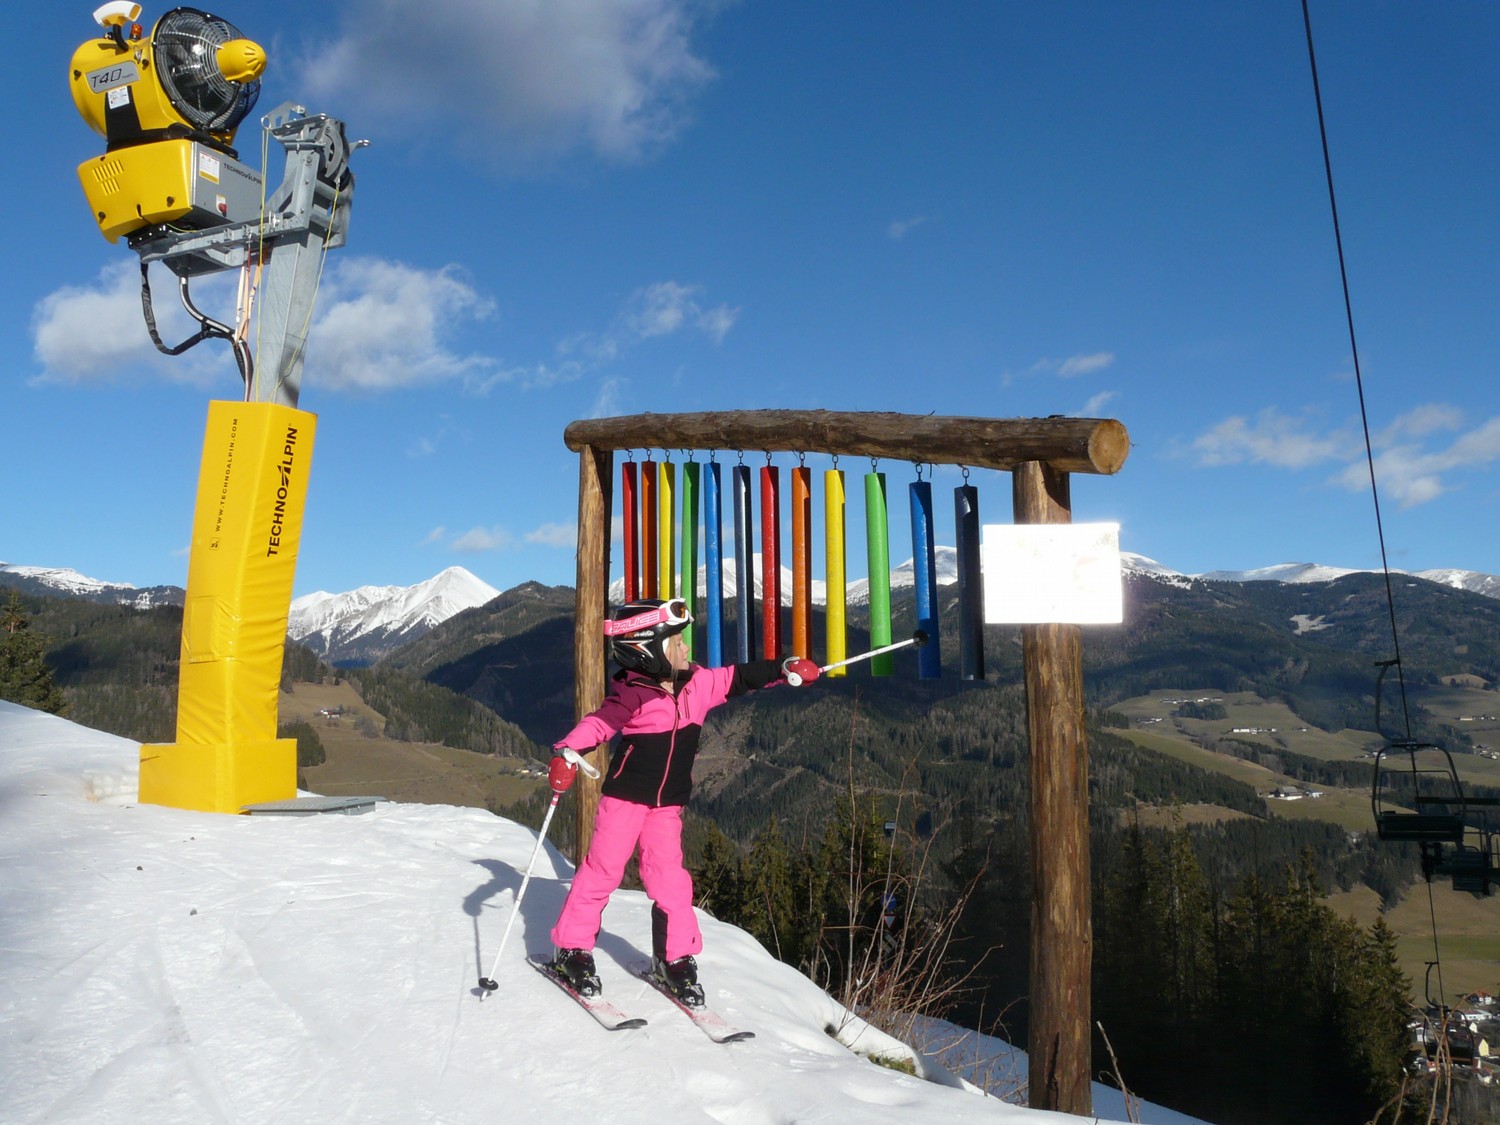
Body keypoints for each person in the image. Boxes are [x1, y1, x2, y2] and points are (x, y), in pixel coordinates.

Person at [546, 597, 820, 1006]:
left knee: (669, 879)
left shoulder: (698, 684)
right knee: (602, 871)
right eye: (676, 642)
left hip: (667, 805)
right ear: (648, 651)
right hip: (625, 800)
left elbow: (741, 677)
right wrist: (568, 752)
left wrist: (784, 669)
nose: (686, 648)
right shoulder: (632, 695)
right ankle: (571, 948)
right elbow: (599, 724)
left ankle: (674, 958)